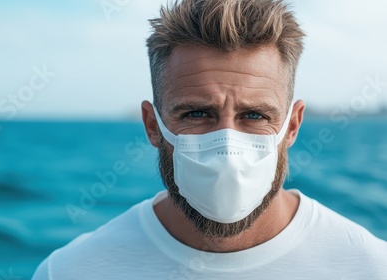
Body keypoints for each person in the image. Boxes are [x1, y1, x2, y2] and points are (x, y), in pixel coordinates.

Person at [33, 0, 387, 279]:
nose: (228, 148)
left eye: (255, 115)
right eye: (197, 114)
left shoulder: (370, 269)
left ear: (292, 126)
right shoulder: (70, 271)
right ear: (152, 125)